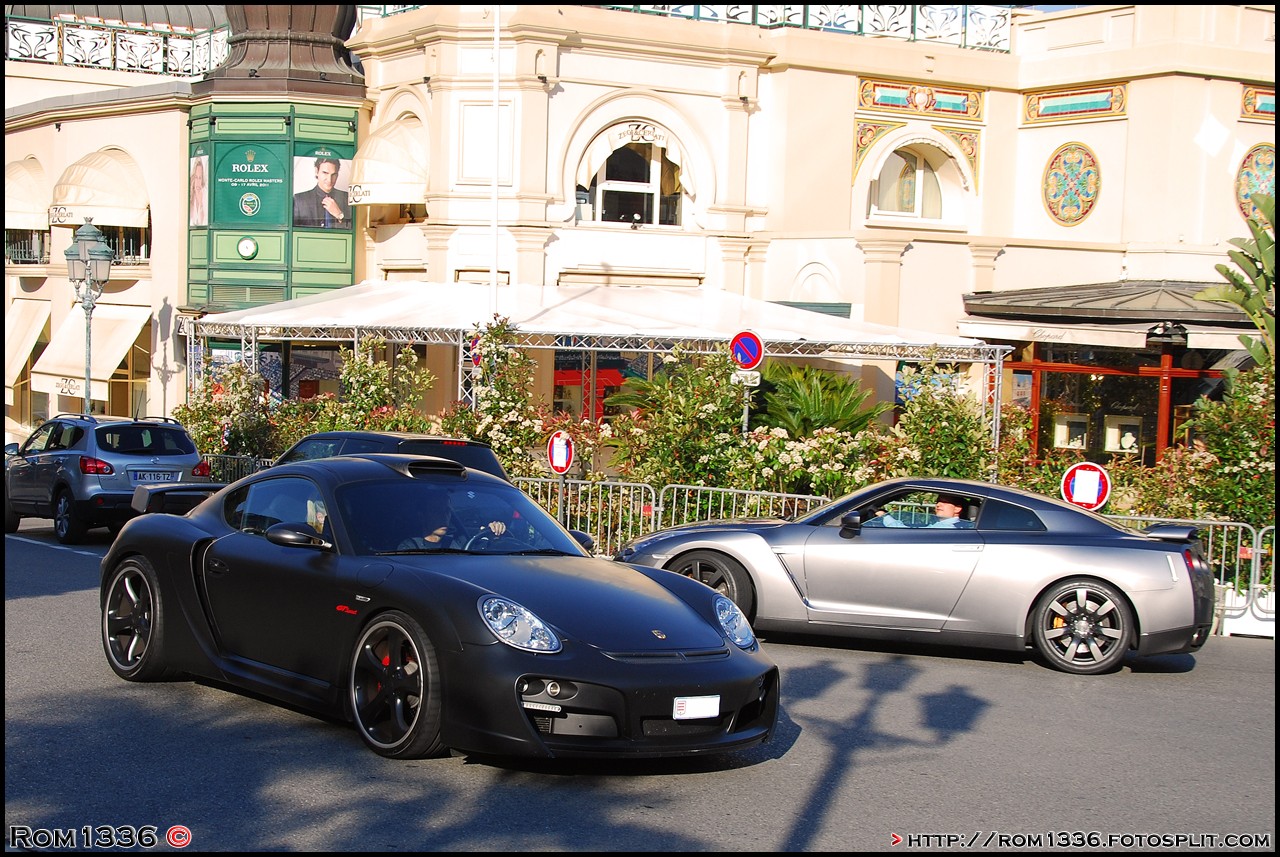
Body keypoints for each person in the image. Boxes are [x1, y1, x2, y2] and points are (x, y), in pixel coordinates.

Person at [293, 156, 350, 228]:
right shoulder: (299, 200)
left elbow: (355, 231)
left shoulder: (347, 198)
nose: (329, 180)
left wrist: (339, 214)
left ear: (337, 175)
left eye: (333, 174)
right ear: (317, 172)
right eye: (325, 173)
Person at [189, 156, 208, 226]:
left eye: (200, 178)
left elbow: (202, 222)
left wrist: (200, 204)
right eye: (196, 177)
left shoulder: (204, 196)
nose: (198, 182)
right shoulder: (190, 196)